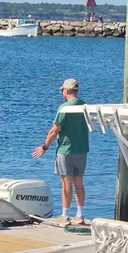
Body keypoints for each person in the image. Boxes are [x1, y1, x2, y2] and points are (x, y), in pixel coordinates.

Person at [32, 79, 89, 225]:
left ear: (67, 91)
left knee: (66, 184)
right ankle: (80, 215)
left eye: (62, 90)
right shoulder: (85, 106)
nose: (62, 92)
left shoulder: (64, 108)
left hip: (65, 150)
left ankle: (65, 216)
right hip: (82, 149)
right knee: (79, 183)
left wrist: (44, 147)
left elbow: (54, 131)